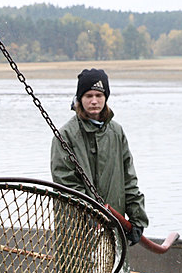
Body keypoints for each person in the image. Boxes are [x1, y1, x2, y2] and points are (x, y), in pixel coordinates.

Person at [50, 68, 149, 245]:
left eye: (99, 95)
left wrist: (137, 219)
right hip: (76, 230)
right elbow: (65, 182)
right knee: (76, 272)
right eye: (88, 96)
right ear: (80, 98)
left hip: (113, 228)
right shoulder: (66, 135)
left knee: (114, 272)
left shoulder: (117, 132)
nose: (94, 101)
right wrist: (96, 215)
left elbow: (129, 180)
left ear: (106, 98)